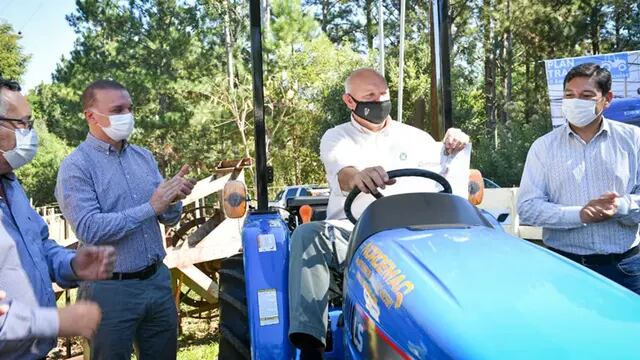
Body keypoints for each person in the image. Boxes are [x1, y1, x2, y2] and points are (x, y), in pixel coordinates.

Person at [288, 68, 470, 358]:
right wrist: (359, 176)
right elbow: (343, 172)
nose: (378, 100)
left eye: (382, 94)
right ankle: (311, 343)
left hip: (411, 232)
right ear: (350, 101)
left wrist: (454, 146)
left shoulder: (417, 138)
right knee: (309, 234)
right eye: (369, 96)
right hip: (356, 232)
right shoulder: (337, 137)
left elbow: (444, 170)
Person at [55, 79, 195, 360]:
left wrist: (173, 199)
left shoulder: (143, 157)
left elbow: (167, 217)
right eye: (118, 109)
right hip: (109, 291)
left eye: (129, 108)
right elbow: (90, 229)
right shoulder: (76, 167)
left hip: (156, 280)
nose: (127, 116)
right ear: (91, 116)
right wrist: (151, 206)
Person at [0, 78, 114, 359]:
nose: (30, 133)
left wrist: (73, 264)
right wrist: (59, 321)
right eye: (22, 123)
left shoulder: (11, 186)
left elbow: (40, 245)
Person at [517, 63, 640, 295]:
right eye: (569, 95)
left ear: (607, 99)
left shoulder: (633, 140)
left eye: (586, 96)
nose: (575, 102)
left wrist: (622, 206)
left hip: (625, 268)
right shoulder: (543, 147)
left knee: (630, 331)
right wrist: (579, 215)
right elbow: (527, 208)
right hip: (564, 267)